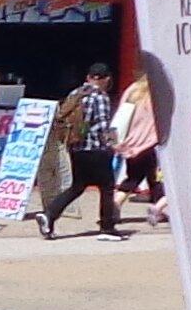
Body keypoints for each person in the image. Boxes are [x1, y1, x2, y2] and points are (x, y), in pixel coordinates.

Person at [37, 83, 122, 239]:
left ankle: (49, 214)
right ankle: (107, 228)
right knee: (107, 187)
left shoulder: (75, 93)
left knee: (77, 186)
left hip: (76, 148)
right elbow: (103, 125)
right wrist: (111, 144)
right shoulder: (100, 96)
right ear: (106, 79)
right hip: (97, 149)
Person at [109, 65, 166, 229]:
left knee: (151, 177)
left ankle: (158, 208)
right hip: (149, 143)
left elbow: (120, 114)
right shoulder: (157, 95)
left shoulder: (133, 90)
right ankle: (116, 203)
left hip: (129, 142)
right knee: (137, 177)